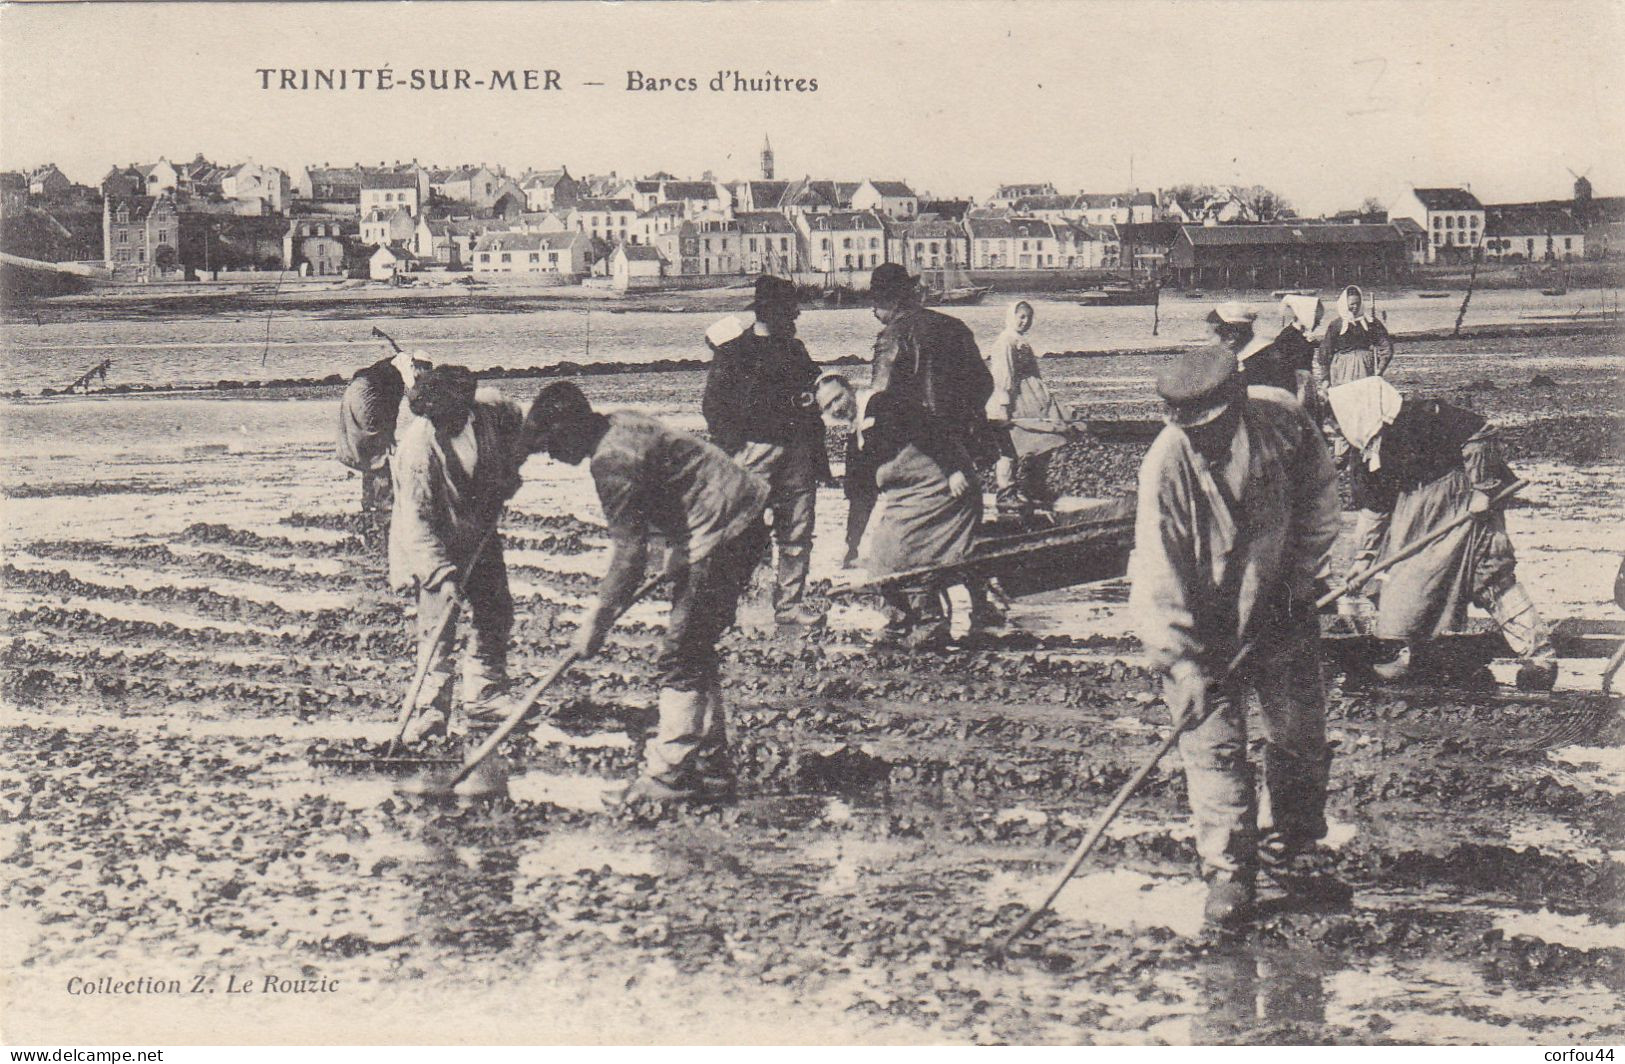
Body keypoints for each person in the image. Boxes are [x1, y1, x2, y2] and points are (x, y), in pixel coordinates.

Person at [1128, 344, 1342, 929]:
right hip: (1205, 626)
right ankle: (1228, 873)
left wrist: (1298, 583)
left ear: (1237, 403)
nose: (1204, 439)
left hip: (1282, 608)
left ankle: (1293, 846)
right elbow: (1157, 572)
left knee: (1300, 735)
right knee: (1215, 748)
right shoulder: (1167, 465)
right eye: (1191, 429)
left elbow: (1321, 501)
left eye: (1214, 426)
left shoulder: (1282, 421)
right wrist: (1184, 664)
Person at [522, 381, 770, 803]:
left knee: (680, 655)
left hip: (724, 530)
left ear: (570, 431)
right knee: (696, 649)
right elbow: (670, 484)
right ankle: (710, 768)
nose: (551, 455)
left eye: (551, 444)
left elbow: (628, 554)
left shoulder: (611, 461)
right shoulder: (622, 422)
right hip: (733, 518)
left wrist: (597, 622)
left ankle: (670, 777)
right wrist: (676, 545)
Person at [1326, 377, 1557, 690]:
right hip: (1417, 513)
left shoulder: (1420, 417)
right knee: (1406, 583)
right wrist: (1363, 559)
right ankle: (1415, 658)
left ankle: (1539, 659)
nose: (1335, 432)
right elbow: (1376, 509)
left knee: (1490, 578)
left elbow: (1479, 432)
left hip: (1461, 501)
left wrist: (1482, 488)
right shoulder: (1366, 453)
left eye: (1338, 425)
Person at [389, 365, 527, 742]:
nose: (439, 423)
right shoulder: (417, 448)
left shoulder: (491, 411)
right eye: (433, 418)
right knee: (438, 625)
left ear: (464, 407)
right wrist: (439, 575)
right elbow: (415, 522)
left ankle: (485, 695)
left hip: (480, 530)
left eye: (446, 416)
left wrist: (510, 467)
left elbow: (518, 425)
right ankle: (430, 710)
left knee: (495, 609)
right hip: (436, 539)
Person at [868, 262, 1001, 630]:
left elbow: (885, 402)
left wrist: (872, 449)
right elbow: (983, 385)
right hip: (957, 449)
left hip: (918, 451)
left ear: (888, 302)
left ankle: (920, 616)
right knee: (955, 535)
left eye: (876, 305)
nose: (874, 314)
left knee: (894, 546)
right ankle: (975, 608)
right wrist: (961, 427)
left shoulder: (893, 336)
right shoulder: (954, 327)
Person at [701, 276, 829, 627]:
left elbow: (816, 390)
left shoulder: (796, 350)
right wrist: (734, 451)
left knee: (797, 531)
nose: (797, 316)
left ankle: (789, 607)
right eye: (791, 310)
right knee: (743, 531)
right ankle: (737, 606)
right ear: (771, 312)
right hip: (753, 452)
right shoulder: (733, 353)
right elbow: (714, 407)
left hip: (797, 450)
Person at [819, 373, 980, 650]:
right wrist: (851, 544)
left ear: (850, 388)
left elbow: (931, 429)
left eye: (838, 398)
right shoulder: (853, 437)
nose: (836, 407)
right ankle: (899, 620)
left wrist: (953, 469)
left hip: (943, 489)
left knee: (907, 549)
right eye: (827, 406)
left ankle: (930, 623)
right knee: (881, 553)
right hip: (909, 498)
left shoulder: (883, 404)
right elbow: (861, 497)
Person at [336, 346, 432, 548]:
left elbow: (390, 408)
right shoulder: (406, 366)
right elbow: (413, 398)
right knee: (380, 456)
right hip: (365, 396)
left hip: (354, 393)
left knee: (371, 453)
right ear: (419, 366)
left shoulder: (396, 366)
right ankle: (384, 509)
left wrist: (389, 436)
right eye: (425, 373)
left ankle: (369, 503)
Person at [984, 300, 1071, 519]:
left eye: (1028, 317)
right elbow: (1003, 375)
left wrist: (1044, 394)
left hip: (1032, 396)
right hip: (1014, 398)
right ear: (1011, 316)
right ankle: (1007, 491)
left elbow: (1033, 371)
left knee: (1045, 438)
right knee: (1010, 448)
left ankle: (1032, 485)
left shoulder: (1020, 340)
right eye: (1021, 317)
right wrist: (1004, 403)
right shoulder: (1005, 341)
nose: (1025, 321)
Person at [1241, 296, 1321, 409]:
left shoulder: (1303, 335)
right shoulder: (1288, 335)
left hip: (1304, 383)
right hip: (1294, 384)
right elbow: (1280, 364)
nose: (1318, 323)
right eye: (1316, 320)